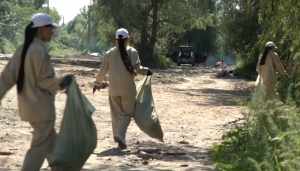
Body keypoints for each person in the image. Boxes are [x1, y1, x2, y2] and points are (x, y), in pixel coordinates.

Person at [0, 13, 73, 171]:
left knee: (53, 144)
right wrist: (63, 81)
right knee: (39, 148)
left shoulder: (23, 49)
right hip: (42, 110)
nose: (52, 32)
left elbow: (7, 77)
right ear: (42, 29)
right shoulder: (39, 51)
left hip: (29, 108)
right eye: (51, 29)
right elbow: (44, 82)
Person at [93, 28, 152, 149]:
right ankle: (120, 134)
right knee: (126, 113)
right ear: (128, 40)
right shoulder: (132, 51)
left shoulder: (109, 53)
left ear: (116, 40)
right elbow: (137, 68)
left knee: (115, 114)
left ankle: (118, 136)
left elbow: (102, 71)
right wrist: (148, 72)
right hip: (128, 90)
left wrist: (97, 83)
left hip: (113, 90)